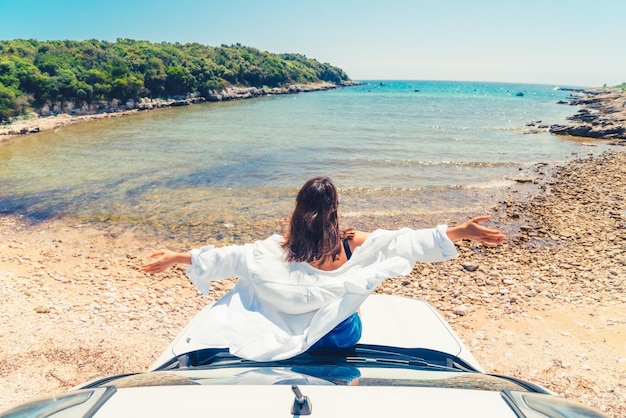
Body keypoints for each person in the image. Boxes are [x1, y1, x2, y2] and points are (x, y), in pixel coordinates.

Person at [140, 176, 505, 361]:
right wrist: (461, 232)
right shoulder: (349, 243)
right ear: (335, 209)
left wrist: (176, 256)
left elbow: (229, 256)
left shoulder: (278, 250)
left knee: (270, 293)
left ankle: (300, 336)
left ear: (299, 209)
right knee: (352, 299)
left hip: (286, 332)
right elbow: (405, 240)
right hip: (341, 336)